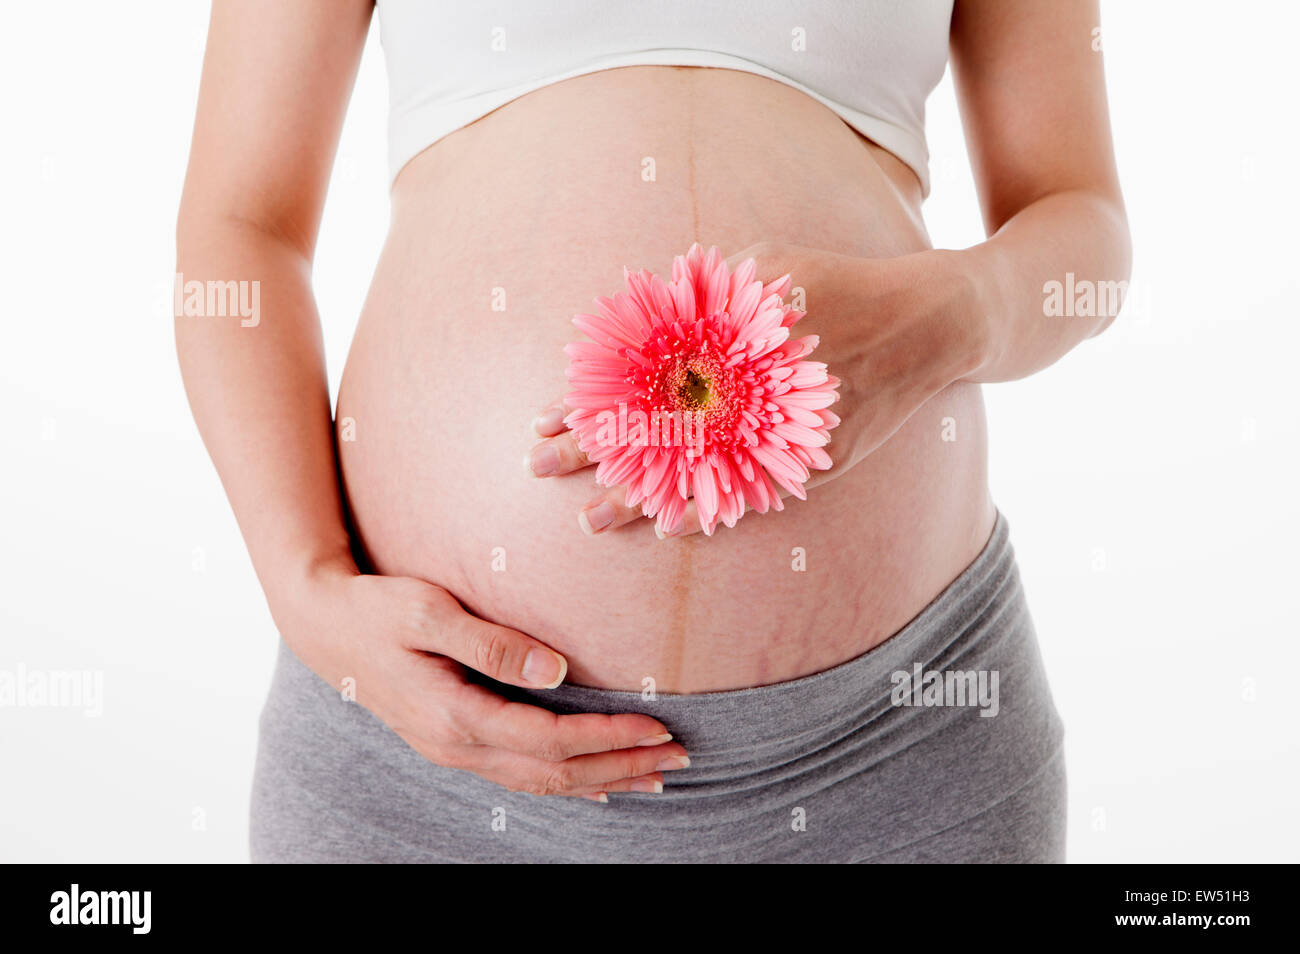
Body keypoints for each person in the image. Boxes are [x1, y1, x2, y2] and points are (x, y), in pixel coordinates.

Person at [175, 0, 1130, 862]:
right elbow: (241, 228)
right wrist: (304, 591)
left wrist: (948, 311)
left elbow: (1080, 222)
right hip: (425, 748)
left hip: (895, 749)